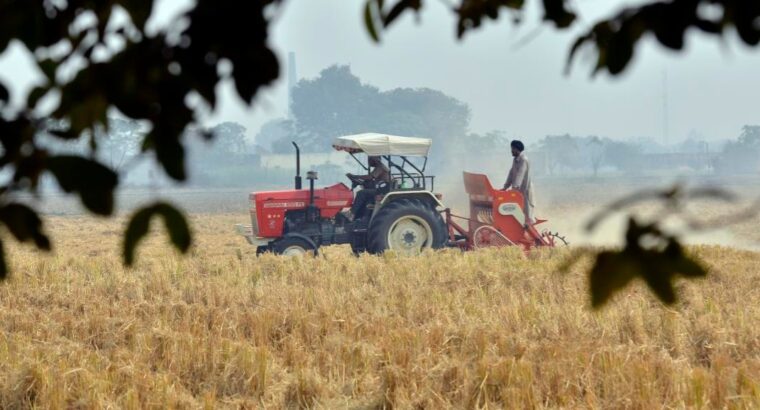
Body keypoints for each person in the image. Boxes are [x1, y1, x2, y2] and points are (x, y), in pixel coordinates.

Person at [344, 156, 391, 220]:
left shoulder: (380, 167)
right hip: (380, 189)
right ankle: (362, 217)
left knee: (361, 193)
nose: (368, 161)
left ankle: (352, 213)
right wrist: (361, 182)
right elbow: (371, 180)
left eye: (370, 159)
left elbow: (370, 177)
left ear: (375, 159)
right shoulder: (379, 167)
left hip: (382, 190)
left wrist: (356, 176)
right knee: (367, 195)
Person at [502, 140, 535, 226]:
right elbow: (511, 173)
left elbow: (520, 174)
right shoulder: (515, 160)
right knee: (520, 211)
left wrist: (514, 188)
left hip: (525, 189)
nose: (511, 151)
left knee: (527, 214)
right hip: (518, 191)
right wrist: (505, 187)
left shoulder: (523, 160)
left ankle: (530, 232)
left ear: (517, 149)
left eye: (512, 149)